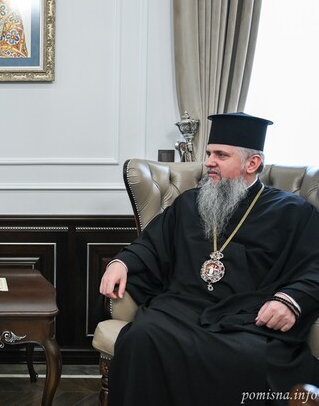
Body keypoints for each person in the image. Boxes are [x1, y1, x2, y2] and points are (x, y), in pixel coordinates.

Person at [100, 112, 319, 405]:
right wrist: (121, 263)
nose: (209, 162)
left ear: (252, 163)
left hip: (247, 318)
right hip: (182, 306)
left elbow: (314, 265)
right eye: (208, 154)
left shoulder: (292, 212)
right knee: (141, 336)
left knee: (250, 356)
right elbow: (152, 245)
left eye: (220, 155)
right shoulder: (189, 203)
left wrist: (290, 300)